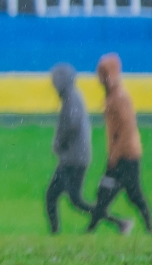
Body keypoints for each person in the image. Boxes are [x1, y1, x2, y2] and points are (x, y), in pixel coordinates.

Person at [45, 63, 128, 234]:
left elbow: (72, 124)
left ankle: (119, 223)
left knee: (61, 197)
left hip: (73, 159)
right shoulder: (72, 96)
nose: (53, 84)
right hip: (75, 157)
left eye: (55, 80)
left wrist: (59, 143)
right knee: (65, 198)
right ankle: (118, 223)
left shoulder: (71, 98)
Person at [87, 53, 152, 234]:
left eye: (102, 73)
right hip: (119, 155)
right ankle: (145, 228)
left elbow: (126, 129)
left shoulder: (120, 97)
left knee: (118, 194)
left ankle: (93, 230)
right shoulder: (111, 96)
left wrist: (115, 155)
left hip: (126, 155)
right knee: (110, 194)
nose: (99, 78)